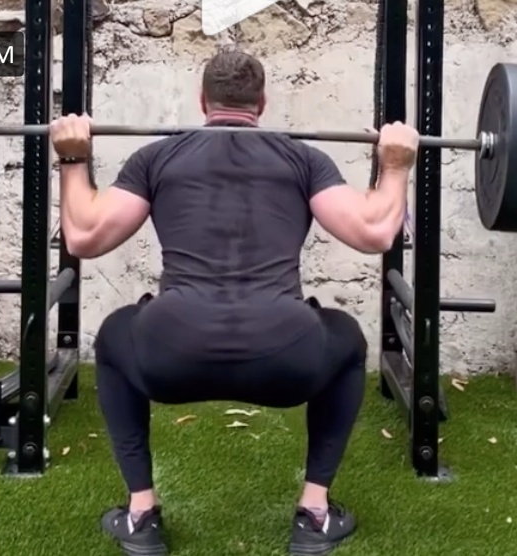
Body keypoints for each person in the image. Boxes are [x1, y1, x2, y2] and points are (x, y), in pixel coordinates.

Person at [50, 50, 419, 556]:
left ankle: (141, 514)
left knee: (116, 334)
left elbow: (84, 237)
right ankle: (315, 513)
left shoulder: (156, 158)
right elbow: (375, 233)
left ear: (202, 102)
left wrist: (73, 158)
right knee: (346, 339)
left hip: (170, 357)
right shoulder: (303, 159)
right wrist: (395, 165)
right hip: (286, 360)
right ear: (261, 103)